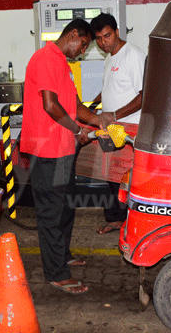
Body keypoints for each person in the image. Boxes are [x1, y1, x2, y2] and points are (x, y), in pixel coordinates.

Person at [20, 18, 102, 295]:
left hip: (64, 150)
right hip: (48, 152)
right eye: (84, 44)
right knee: (51, 213)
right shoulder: (44, 58)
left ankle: (62, 255)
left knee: (65, 207)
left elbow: (74, 105)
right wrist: (78, 130)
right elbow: (50, 105)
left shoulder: (64, 66)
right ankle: (56, 273)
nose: (83, 50)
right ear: (74, 34)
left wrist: (98, 121)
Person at [90, 13, 145, 235]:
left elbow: (144, 95)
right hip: (112, 128)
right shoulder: (109, 58)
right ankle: (116, 220)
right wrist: (93, 106)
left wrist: (115, 114)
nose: (104, 43)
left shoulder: (133, 55)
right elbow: (110, 88)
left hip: (130, 127)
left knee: (127, 177)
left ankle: (133, 222)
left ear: (117, 32)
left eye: (108, 36)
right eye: (99, 39)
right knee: (111, 176)